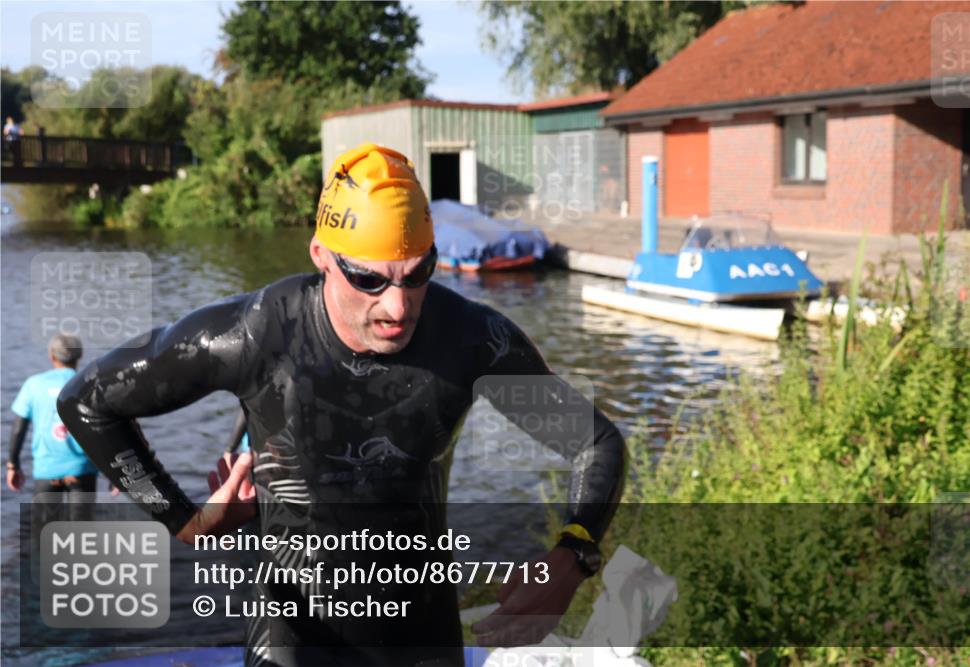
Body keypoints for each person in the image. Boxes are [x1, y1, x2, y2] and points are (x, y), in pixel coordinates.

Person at [58, 143, 626, 666]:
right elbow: (86, 402)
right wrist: (187, 521)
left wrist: (572, 556)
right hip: (292, 632)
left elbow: (595, 441)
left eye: (418, 274)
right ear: (322, 256)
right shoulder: (257, 334)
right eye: (369, 280)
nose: (398, 307)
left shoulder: (471, 338)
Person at [8, 334, 98, 513]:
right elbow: (109, 429)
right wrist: (116, 474)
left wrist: (13, 465)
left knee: (45, 528)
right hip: (82, 469)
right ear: (79, 356)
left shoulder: (33, 384)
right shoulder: (91, 384)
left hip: (46, 470)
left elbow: (19, 428)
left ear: (52, 356)